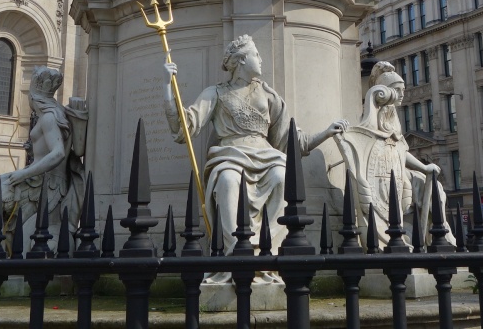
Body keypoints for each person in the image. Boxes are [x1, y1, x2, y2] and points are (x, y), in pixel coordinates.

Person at [163, 35, 345, 267]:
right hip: (230, 155)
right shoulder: (216, 93)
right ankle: (235, 253)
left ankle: (264, 249)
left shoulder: (269, 95)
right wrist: (168, 89)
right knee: (228, 180)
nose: (260, 60)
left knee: (281, 176)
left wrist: (326, 133)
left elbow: (292, 141)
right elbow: (184, 128)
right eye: (255, 55)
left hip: (266, 157)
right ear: (240, 60)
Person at [333, 60, 454, 247]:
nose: (402, 94)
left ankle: (437, 237)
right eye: (397, 90)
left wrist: (423, 167)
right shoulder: (371, 121)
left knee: (436, 189)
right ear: (385, 92)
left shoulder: (394, 121)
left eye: (403, 89)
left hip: (398, 172)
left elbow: (400, 151)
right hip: (383, 175)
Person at [0, 67, 87, 251]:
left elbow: (58, 153)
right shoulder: (48, 115)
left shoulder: (49, 118)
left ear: (34, 96)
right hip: (33, 177)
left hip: (44, 181)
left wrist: (24, 174)